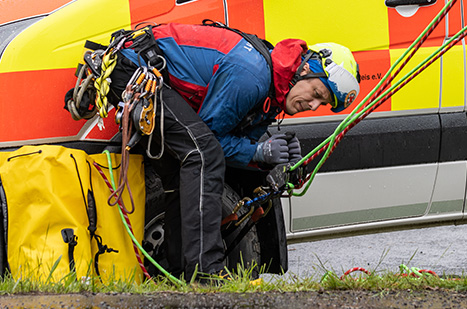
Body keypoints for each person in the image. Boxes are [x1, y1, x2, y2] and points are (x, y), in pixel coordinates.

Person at [138, 23, 360, 282]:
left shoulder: (273, 94)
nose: (312, 105)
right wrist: (260, 151)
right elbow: (210, 139)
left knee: (186, 168)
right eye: (317, 93)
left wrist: (276, 163)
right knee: (203, 154)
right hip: (137, 70)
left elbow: (236, 145)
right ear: (305, 69)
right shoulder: (253, 76)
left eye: (321, 104)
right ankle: (206, 273)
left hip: (156, 79)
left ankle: (175, 274)